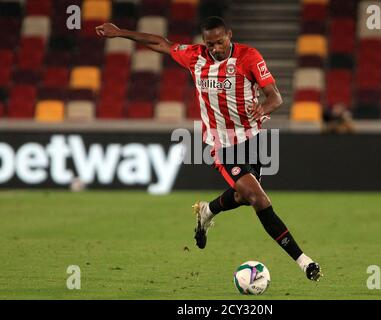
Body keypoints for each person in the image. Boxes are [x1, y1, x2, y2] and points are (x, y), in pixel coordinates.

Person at [96, 16, 322, 281]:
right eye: (210, 43)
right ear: (204, 42)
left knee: (242, 196)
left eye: (220, 42)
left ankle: (207, 210)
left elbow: (275, 97)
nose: (215, 48)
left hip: (253, 140)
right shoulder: (194, 56)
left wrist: (262, 107)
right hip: (221, 143)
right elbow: (161, 43)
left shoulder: (248, 57)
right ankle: (304, 262)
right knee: (258, 199)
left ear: (230, 35)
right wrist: (120, 32)